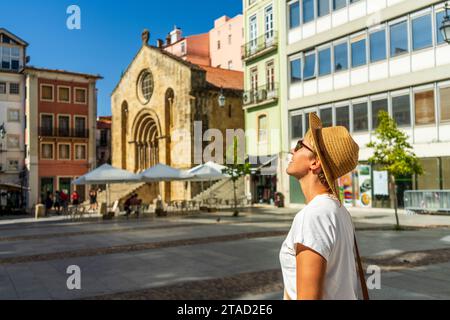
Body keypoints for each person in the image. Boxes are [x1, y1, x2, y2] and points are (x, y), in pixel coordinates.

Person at [279, 113, 369, 301]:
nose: (292, 151)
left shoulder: (314, 216)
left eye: (299, 145)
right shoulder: (338, 210)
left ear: (315, 162)